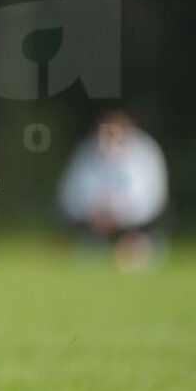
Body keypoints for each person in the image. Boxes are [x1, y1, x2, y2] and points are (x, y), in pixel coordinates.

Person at [58, 111, 169, 271]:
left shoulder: (145, 153)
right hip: (94, 225)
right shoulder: (87, 152)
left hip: (136, 225)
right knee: (89, 260)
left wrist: (118, 216)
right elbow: (72, 193)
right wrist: (94, 213)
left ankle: (140, 245)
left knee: (137, 258)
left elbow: (151, 197)